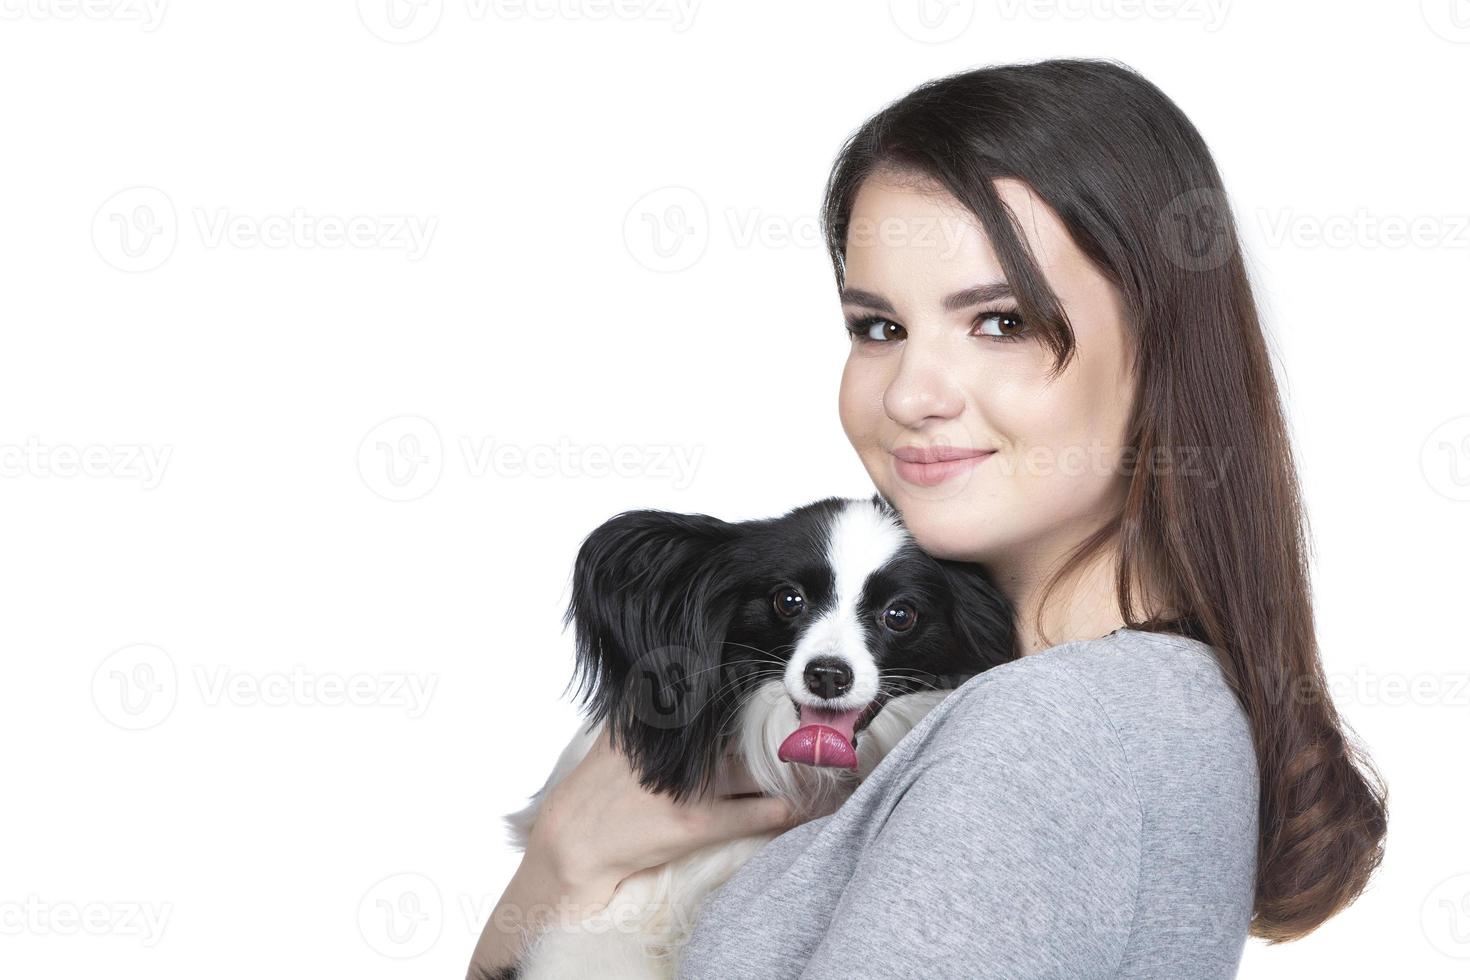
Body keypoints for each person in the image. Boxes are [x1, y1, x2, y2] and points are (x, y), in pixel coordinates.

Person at [467, 58, 1388, 979]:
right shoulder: (1144, 702)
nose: (911, 392)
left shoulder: (1046, 731)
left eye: (1001, 323)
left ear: (1161, 351)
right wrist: (553, 871)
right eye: (879, 327)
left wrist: (561, 871)